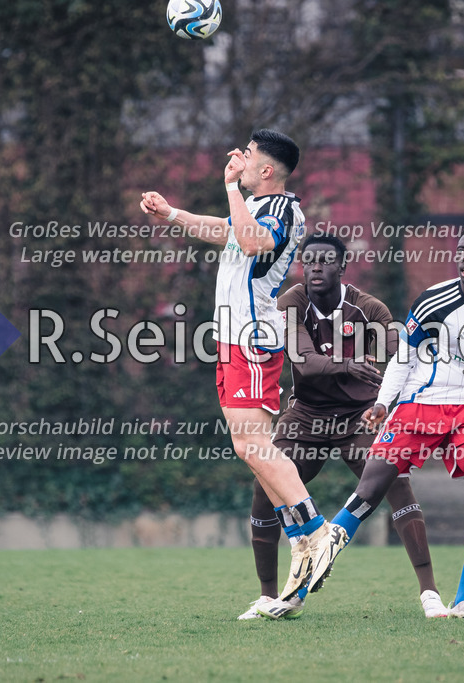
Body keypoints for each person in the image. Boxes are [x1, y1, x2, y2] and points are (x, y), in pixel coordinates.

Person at [140, 129, 347, 602]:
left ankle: (319, 533)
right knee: (249, 447)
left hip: (252, 338)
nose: (239, 157)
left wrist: (230, 186)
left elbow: (251, 243)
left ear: (266, 170)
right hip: (233, 338)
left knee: (254, 444)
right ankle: (302, 539)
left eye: (248, 155)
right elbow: (224, 231)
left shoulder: (283, 209)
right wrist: (170, 213)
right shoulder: (256, 205)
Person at [304, 229, 464, 620]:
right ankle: (306, 578)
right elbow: (403, 358)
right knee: (369, 492)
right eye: (461, 251)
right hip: (419, 406)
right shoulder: (434, 301)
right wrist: (383, 403)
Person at [239, 234, 446, 621]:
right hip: (307, 414)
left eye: (325, 260)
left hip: (360, 415)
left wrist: (417, 362)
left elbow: (401, 354)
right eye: (309, 261)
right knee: (264, 483)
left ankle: (430, 593)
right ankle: (268, 597)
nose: (315, 267)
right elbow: (305, 362)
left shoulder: (368, 308)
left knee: (397, 482)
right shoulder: (291, 303)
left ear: (342, 267)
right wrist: (348, 364)